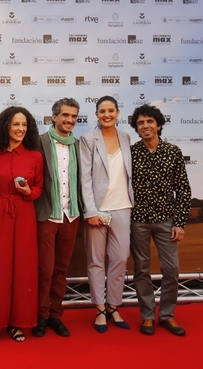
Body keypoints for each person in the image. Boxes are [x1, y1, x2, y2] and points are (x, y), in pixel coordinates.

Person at [0, 106, 44, 345]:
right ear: (5, 126)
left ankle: (18, 323)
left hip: (24, 214)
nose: (21, 129)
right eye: (16, 124)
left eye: (24, 125)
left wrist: (28, 192)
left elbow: (39, 189)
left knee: (23, 269)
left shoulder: (35, 156)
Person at [129, 104, 191, 336]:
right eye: (140, 123)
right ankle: (147, 316)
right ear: (137, 128)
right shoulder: (131, 152)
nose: (145, 126)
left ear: (159, 125)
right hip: (138, 220)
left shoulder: (173, 152)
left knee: (171, 269)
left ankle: (167, 315)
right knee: (141, 270)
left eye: (149, 122)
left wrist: (180, 222)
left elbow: (183, 189)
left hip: (166, 220)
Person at [79, 96, 133, 333]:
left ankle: (114, 305)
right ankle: (100, 308)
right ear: (96, 114)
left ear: (118, 113)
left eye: (111, 110)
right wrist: (90, 211)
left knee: (120, 259)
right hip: (97, 210)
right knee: (96, 261)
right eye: (102, 111)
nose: (107, 115)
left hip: (122, 206)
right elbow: (85, 178)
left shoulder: (126, 137)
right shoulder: (88, 139)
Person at [33, 98, 83, 338]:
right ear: (54, 117)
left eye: (74, 116)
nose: (70, 120)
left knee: (61, 270)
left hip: (70, 215)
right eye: (65, 115)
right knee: (45, 270)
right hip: (47, 215)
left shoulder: (79, 145)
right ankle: (40, 316)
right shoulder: (39, 142)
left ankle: (56, 315)